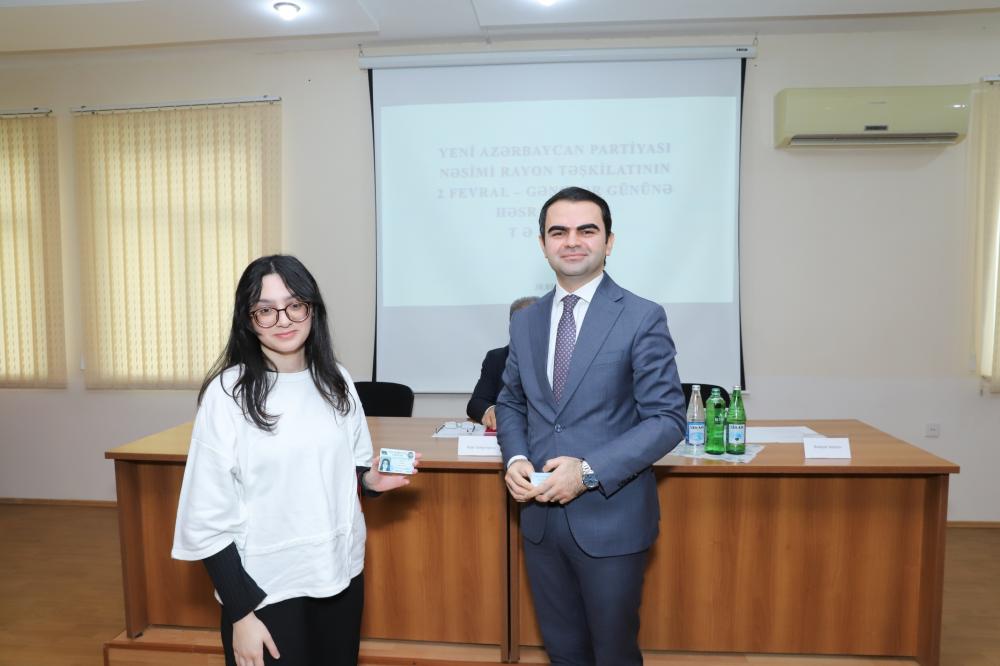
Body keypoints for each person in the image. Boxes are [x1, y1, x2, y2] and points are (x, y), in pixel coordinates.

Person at [172, 255, 417, 666]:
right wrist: (241, 614)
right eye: (266, 310)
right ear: (248, 319)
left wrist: (370, 482)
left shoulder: (337, 381)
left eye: (295, 305)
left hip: (340, 576)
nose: (283, 320)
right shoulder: (227, 394)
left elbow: (349, 469)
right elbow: (206, 518)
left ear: (312, 309)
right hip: (264, 592)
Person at [496, 187, 685, 665]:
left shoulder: (641, 316)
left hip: (611, 520)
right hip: (540, 521)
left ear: (609, 241)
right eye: (558, 231)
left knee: (613, 653)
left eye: (587, 230)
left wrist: (586, 472)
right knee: (564, 652)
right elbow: (511, 401)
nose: (572, 241)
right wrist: (515, 457)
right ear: (543, 244)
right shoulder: (526, 321)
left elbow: (667, 419)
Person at [466, 296, 539, 429]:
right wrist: (489, 410)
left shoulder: (561, 358)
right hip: (509, 433)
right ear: (512, 327)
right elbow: (476, 403)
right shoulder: (496, 358)